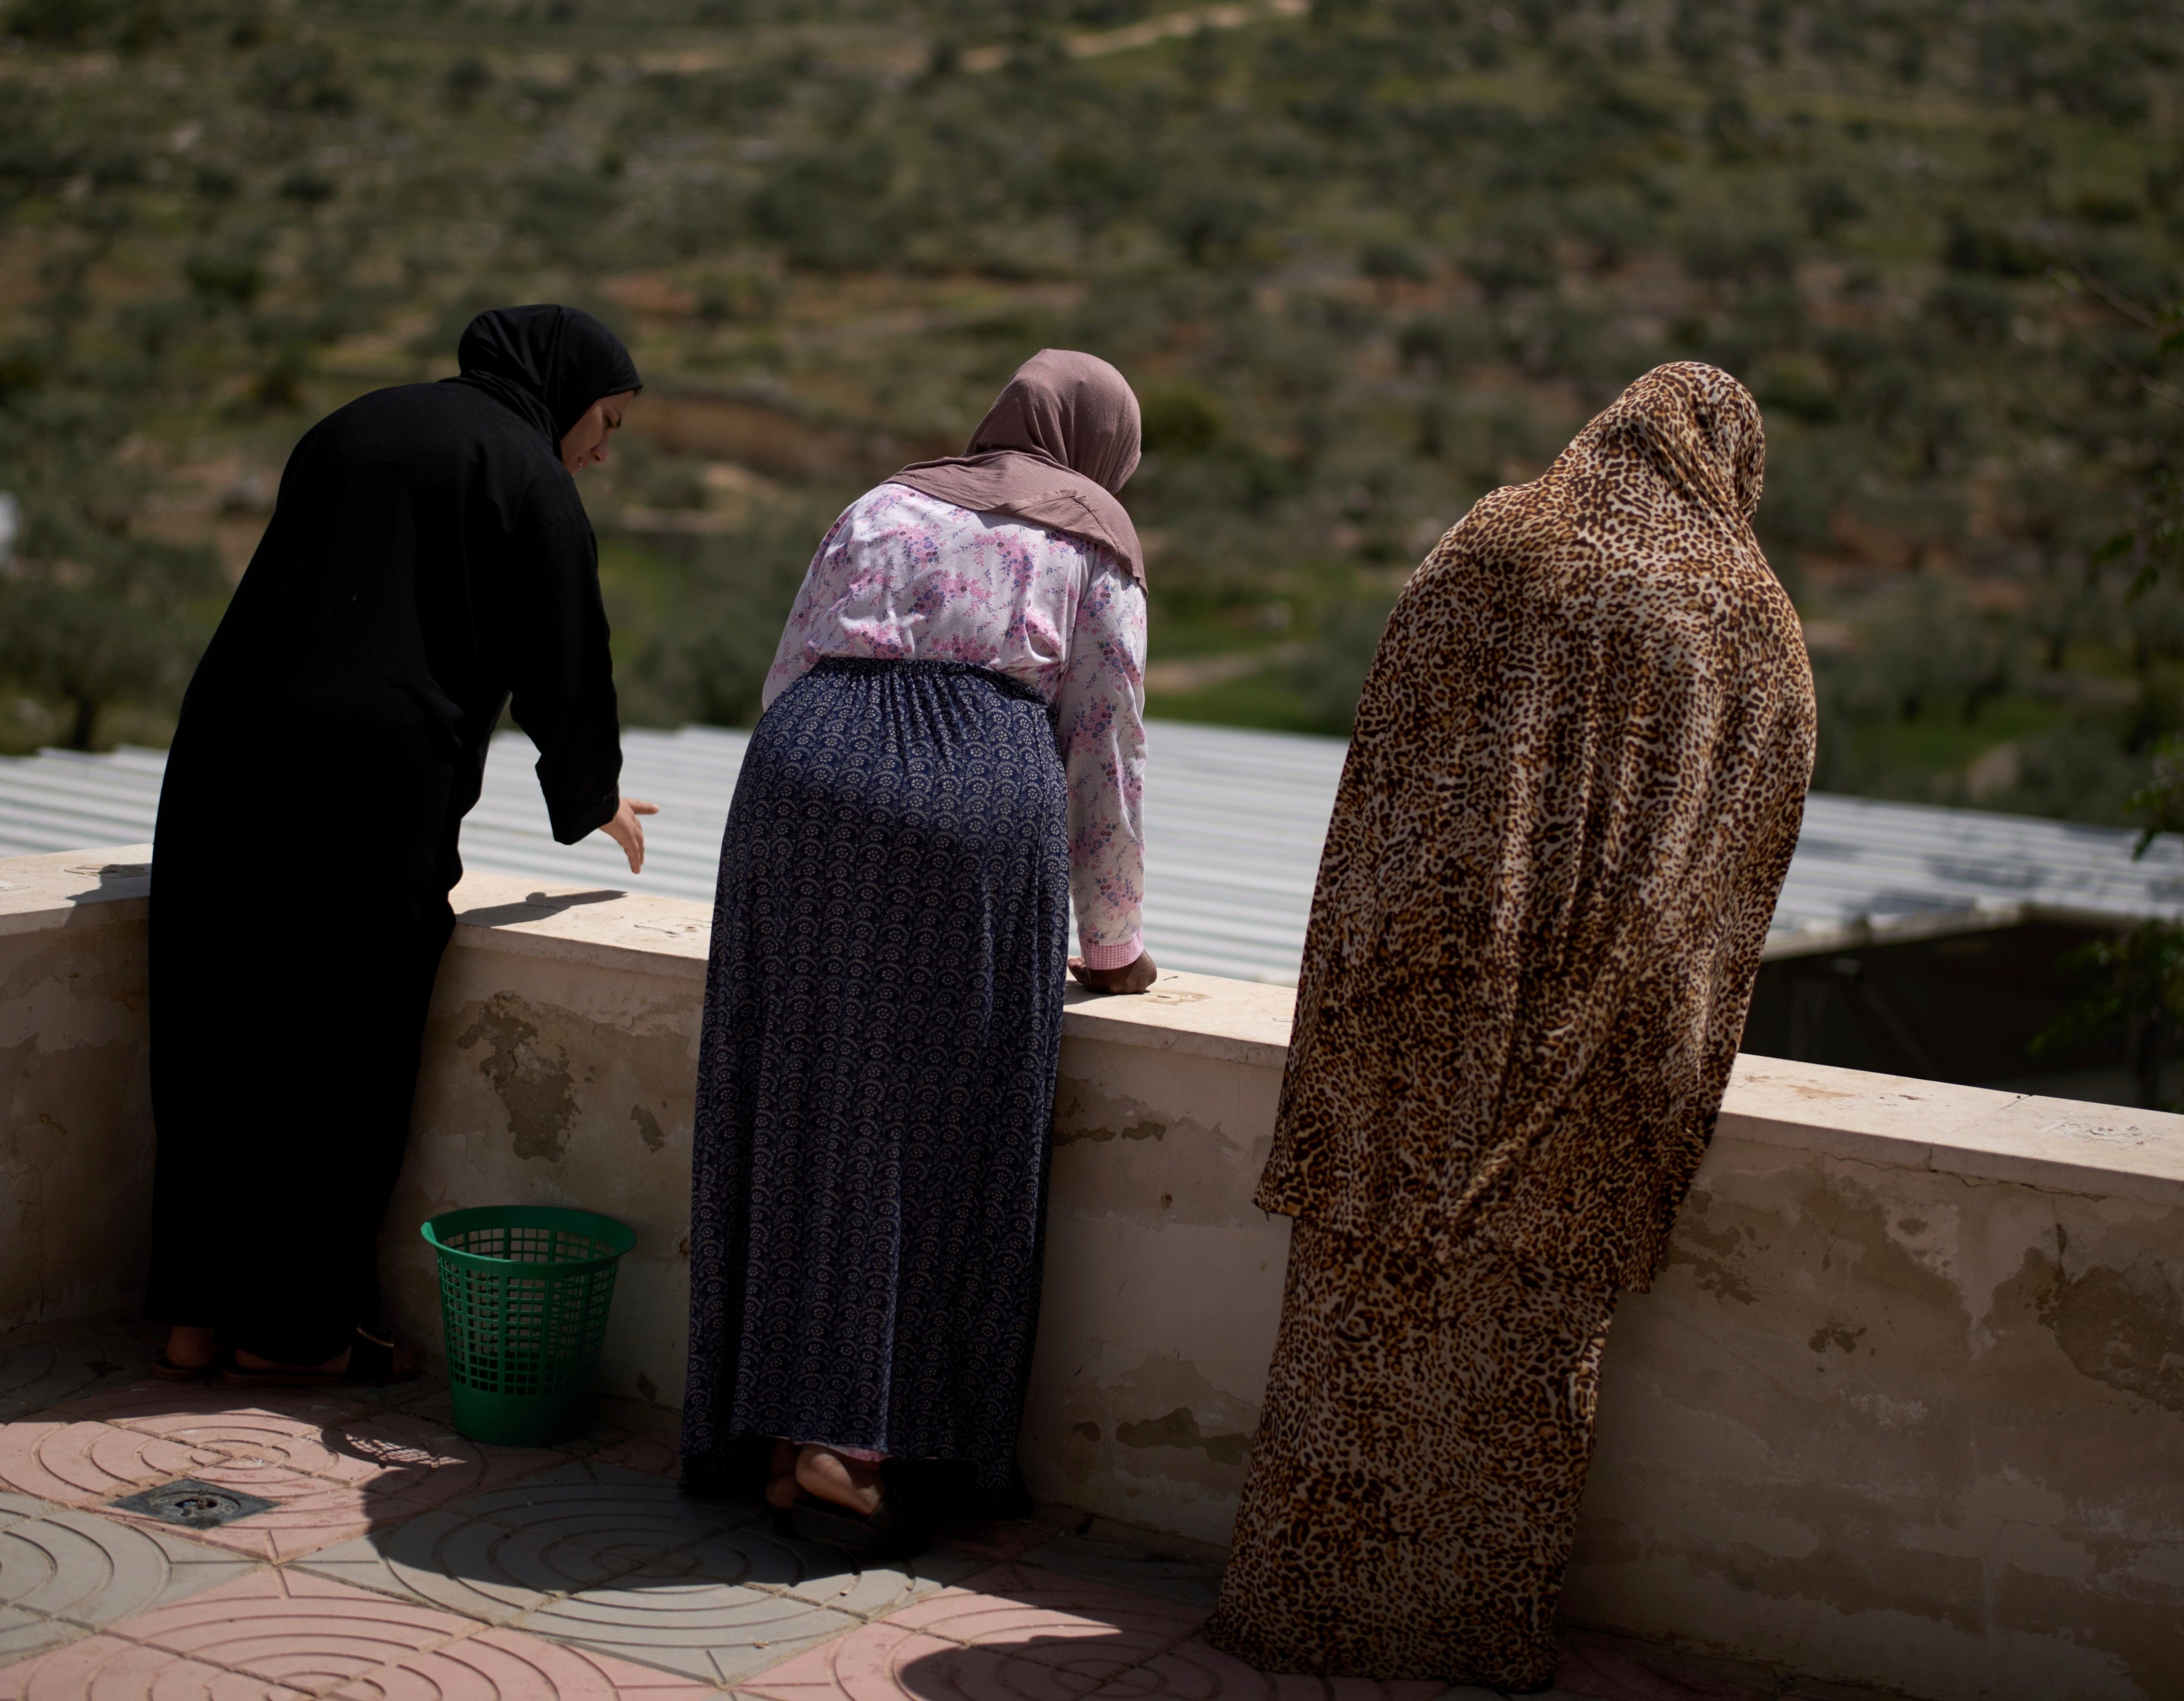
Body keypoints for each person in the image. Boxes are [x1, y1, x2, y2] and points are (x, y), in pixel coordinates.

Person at [1204, 363, 1817, 1688]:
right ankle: (1476, 1629)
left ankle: (1295, 1605)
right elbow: (1733, 888)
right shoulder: (1758, 629)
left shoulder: (1495, 539)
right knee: (1522, 1368)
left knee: (1357, 1319)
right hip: (1597, 1065)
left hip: (1416, 1023)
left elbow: (1378, 776)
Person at [682, 348, 1156, 1550]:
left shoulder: (885, 500)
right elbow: (1102, 750)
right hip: (958, 798)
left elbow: (791, 666)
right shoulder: (1094, 540)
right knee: (927, 1125)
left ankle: (771, 1432)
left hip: (800, 777)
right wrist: (1114, 946)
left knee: (794, 1096)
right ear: (1105, 443)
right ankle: (856, 1447)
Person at [145, 305, 656, 1386]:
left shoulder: (351, 424)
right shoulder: (527, 473)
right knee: (342, 1050)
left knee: (215, 1029)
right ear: (565, 395)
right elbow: (563, 658)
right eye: (605, 421)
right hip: (367, 788)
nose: (602, 448)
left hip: (223, 754)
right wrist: (593, 793)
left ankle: (193, 1314)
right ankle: (295, 1331)